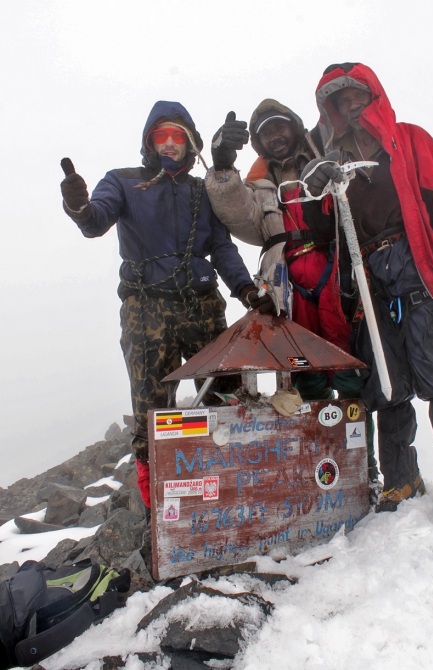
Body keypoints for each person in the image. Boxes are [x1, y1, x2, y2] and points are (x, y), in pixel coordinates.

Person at [60, 100, 274, 509]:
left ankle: (229, 494)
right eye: (162, 135)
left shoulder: (202, 190)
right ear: (150, 141)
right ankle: (160, 512)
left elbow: (220, 247)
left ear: (190, 142)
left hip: (202, 305)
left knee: (225, 396)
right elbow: (94, 222)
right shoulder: (122, 182)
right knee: (151, 409)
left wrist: (246, 289)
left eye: (179, 136)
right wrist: (78, 205)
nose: (170, 143)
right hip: (146, 309)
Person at [300, 62, 433, 523]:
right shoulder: (332, 168)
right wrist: (317, 190)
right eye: (340, 101)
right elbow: (323, 233)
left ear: (374, 95)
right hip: (370, 287)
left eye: (357, 96)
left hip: (420, 276)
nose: (351, 107)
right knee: (386, 386)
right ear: (330, 109)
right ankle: (401, 478)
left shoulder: (412, 142)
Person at [205, 100, 380, 487]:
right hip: (288, 286)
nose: (275, 136)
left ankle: (363, 470)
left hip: (335, 275)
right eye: (265, 132)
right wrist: (221, 168)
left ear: (296, 127)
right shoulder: (256, 184)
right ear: (259, 142)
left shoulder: (325, 156)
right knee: (306, 376)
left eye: (280, 127)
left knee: (346, 368)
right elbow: (237, 214)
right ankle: (320, 470)